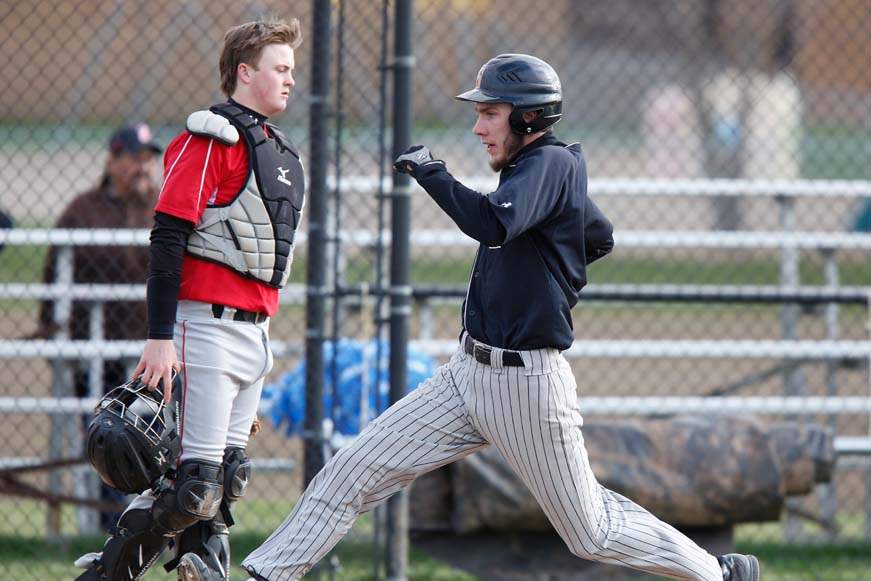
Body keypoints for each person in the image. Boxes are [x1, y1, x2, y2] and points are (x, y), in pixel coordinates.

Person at [239, 55, 760, 581]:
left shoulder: (550, 164)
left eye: (490, 112)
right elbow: (596, 234)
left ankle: (719, 575)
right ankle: (264, 574)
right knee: (350, 473)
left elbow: (491, 223)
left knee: (591, 531)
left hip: (525, 386)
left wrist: (431, 171)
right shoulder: (537, 173)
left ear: (529, 116)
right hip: (465, 375)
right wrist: (553, 264)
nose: (478, 125)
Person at [74, 17, 305, 581]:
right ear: (243, 73)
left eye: (293, 71)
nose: (290, 80)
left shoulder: (280, 151)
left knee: (225, 485)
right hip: (201, 328)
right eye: (280, 68)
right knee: (193, 485)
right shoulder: (210, 139)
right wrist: (158, 339)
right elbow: (169, 237)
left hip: (253, 334)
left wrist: (262, 342)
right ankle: (107, 572)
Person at [37, 122, 161, 529]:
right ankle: (111, 525)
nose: (142, 168)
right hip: (97, 345)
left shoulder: (159, 207)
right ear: (112, 161)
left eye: (146, 160)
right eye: (132, 159)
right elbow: (55, 272)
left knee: (153, 437)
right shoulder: (83, 209)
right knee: (109, 437)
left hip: (149, 348)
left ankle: (154, 522)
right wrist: (53, 329)